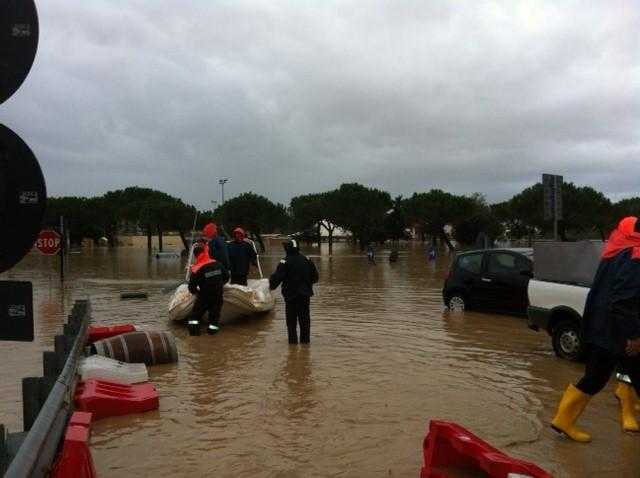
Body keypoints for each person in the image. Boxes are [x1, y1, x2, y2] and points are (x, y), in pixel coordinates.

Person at [551, 216, 640, 442]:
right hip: (618, 329)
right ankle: (566, 419)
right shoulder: (635, 255)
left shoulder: (618, 244)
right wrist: (633, 335)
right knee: (599, 376)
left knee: (597, 376)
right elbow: (623, 300)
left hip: (603, 326)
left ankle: (565, 419)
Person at [269, 239, 319, 344]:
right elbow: (315, 278)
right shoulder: (307, 260)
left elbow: (276, 279)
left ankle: (292, 347)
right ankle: (305, 346)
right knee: (305, 321)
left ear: (287, 248)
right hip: (305, 296)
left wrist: (270, 285)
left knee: (291, 323)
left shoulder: (284, 261)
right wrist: (306, 285)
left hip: (291, 297)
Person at [187, 244, 229, 336]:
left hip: (205, 297)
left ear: (196, 256)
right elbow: (227, 277)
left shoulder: (196, 269)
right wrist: (219, 285)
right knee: (214, 319)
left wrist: (197, 293)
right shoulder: (217, 263)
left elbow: (191, 288)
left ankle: (194, 338)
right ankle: (212, 337)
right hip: (218, 296)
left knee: (194, 318)